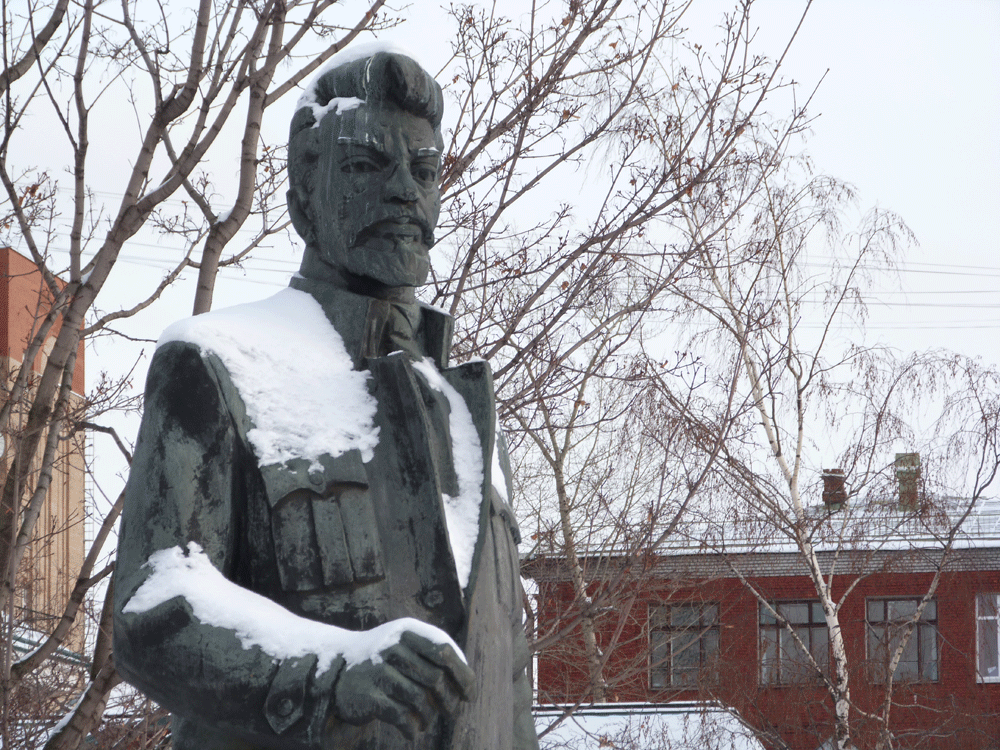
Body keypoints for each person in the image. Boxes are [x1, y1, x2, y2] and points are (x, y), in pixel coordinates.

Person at [113, 47, 539, 750]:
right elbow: (151, 609)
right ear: (303, 197)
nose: (405, 192)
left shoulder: (466, 414)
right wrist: (327, 679)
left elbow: (509, 675)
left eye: (424, 171)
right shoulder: (219, 365)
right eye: (368, 165)